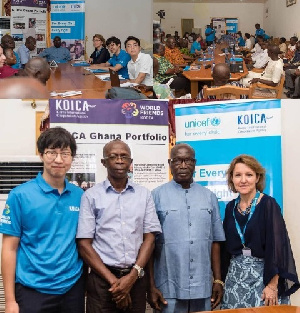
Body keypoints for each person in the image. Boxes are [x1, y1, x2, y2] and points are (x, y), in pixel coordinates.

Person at [0, 127, 85, 313]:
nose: (58, 159)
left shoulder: (81, 196)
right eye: (51, 152)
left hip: (72, 288)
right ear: (41, 155)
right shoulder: (20, 195)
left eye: (65, 153)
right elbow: (9, 248)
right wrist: (10, 301)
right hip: (32, 288)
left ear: (72, 158)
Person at [76, 139, 161, 313]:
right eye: (113, 156)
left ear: (130, 162)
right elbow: (84, 244)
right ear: (104, 162)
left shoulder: (144, 195)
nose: (120, 160)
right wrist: (116, 284)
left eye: (124, 156)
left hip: (136, 279)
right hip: (102, 282)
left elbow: (150, 238)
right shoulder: (90, 196)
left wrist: (132, 277)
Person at [147, 143, 225, 313]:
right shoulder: (155, 196)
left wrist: (218, 280)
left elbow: (215, 241)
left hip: (202, 287)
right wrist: (150, 285)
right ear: (170, 164)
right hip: (167, 287)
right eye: (177, 161)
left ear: (195, 163)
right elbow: (149, 244)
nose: (183, 166)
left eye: (188, 161)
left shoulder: (209, 197)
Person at [221, 154, 299, 309]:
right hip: (235, 280)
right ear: (232, 179)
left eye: (249, 175)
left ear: (257, 178)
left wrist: (272, 285)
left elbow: (277, 246)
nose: (243, 180)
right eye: (238, 175)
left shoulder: (268, 204)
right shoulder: (230, 207)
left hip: (263, 278)